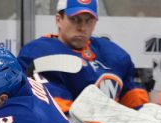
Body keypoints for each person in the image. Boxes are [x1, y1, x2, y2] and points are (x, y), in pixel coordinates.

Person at [17, 0, 148, 114]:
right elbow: (58, 112)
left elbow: (136, 103)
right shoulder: (39, 52)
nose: (82, 27)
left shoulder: (113, 54)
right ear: (59, 20)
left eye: (88, 20)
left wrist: (145, 113)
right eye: (75, 19)